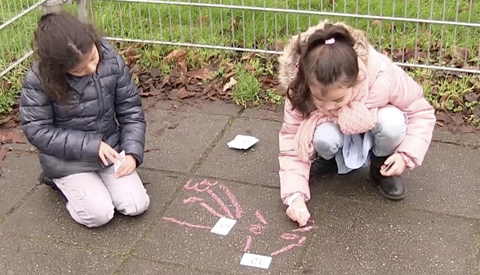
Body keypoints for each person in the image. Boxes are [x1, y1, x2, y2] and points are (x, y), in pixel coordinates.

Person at [278, 20, 435, 226]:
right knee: (323, 135)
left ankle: (381, 166)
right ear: (307, 83)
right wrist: (294, 197)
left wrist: (405, 156)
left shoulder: (380, 73)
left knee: (392, 123)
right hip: (336, 130)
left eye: (337, 99)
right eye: (319, 99)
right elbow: (291, 140)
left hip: (373, 125)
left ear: (356, 79)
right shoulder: (299, 90)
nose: (329, 106)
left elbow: (421, 111)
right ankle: (330, 159)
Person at [20, 12, 150, 228]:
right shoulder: (38, 80)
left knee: (136, 205)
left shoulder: (110, 59)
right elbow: (37, 131)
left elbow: (130, 110)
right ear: (58, 68)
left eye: (92, 58)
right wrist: (91, 145)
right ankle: (60, 183)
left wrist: (133, 153)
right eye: (80, 70)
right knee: (99, 215)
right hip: (68, 161)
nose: (92, 69)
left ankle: (94, 186)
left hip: (110, 150)